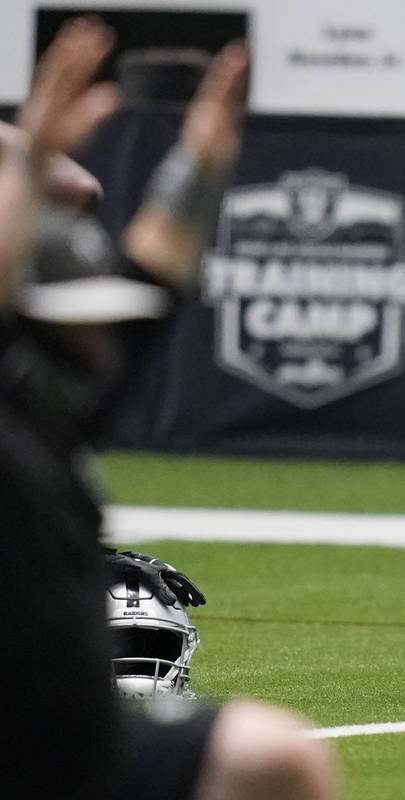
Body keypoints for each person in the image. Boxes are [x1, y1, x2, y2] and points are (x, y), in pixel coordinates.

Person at [0, 17, 338, 799]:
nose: (106, 331)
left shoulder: (73, 388)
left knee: (273, 756)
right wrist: (36, 156)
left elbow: (154, 271)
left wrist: (204, 160)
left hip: (73, 741)